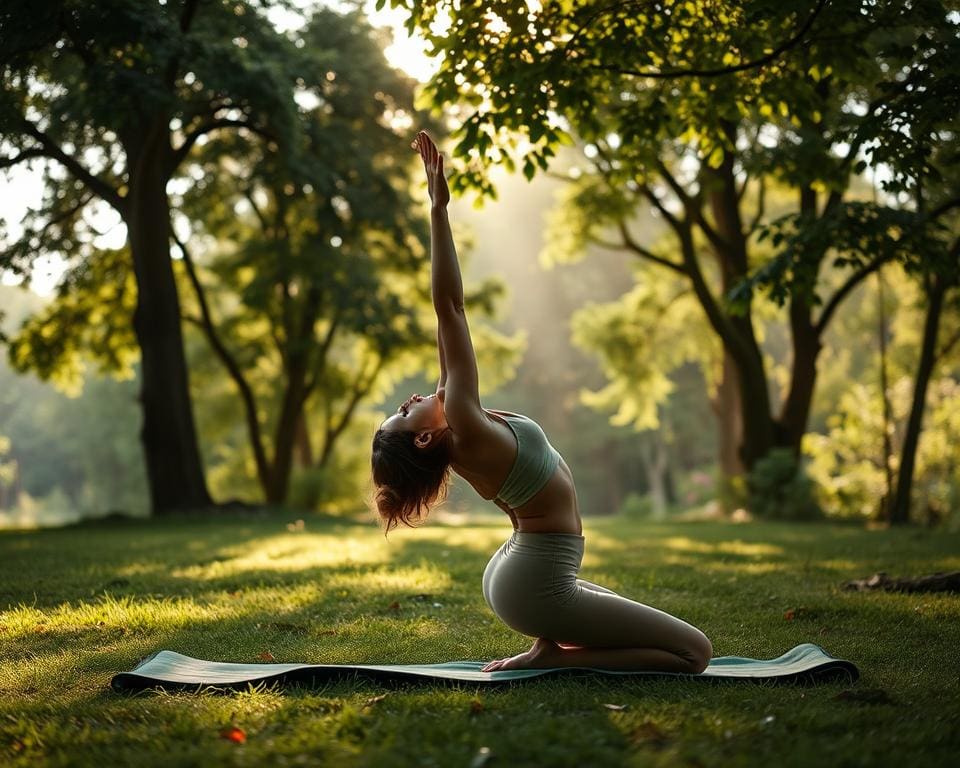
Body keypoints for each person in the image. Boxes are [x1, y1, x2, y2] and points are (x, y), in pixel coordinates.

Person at [370, 131, 712, 674]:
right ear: (426, 436)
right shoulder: (462, 421)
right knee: (695, 654)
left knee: (665, 638)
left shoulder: (459, 421)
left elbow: (446, 324)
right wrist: (438, 213)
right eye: (406, 410)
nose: (413, 398)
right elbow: (450, 309)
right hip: (532, 581)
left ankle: (550, 649)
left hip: (529, 574)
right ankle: (561, 660)